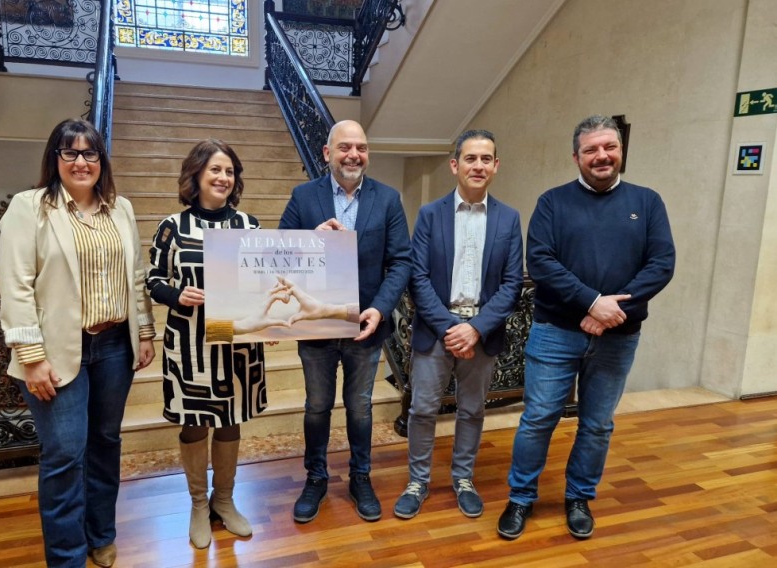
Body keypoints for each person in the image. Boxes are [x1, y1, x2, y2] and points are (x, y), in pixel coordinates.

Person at [497, 115, 675, 540]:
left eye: (609, 147)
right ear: (576, 157)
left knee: (597, 424)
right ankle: (520, 497)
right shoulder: (552, 203)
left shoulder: (647, 202)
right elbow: (540, 262)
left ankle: (579, 497)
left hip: (619, 335)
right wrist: (593, 302)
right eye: (591, 149)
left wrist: (611, 311)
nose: (602, 156)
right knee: (539, 418)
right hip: (555, 331)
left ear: (620, 152)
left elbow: (661, 264)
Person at [0, 118, 156, 568]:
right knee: (65, 455)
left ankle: (100, 534)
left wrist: (144, 332)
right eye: (70, 152)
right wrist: (31, 358)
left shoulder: (120, 208)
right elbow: (16, 286)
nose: (81, 161)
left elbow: (136, 275)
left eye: (90, 153)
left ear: (101, 160)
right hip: (55, 352)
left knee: (105, 443)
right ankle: (66, 557)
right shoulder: (30, 208)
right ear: (55, 159)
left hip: (114, 348)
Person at [278, 120, 412, 523]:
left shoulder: (388, 199)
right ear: (327, 153)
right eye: (345, 147)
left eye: (362, 147)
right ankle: (315, 478)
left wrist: (382, 308)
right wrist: (310, 239)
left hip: (365, 327)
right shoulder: (304, 197)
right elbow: (278, 254)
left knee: (360, 408)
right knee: (317, 406)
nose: (354, 154)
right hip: (316, 326)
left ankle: (361, 477)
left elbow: (400, 261)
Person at [146, 139, 275, 548]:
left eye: (229, 171)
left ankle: (225, 500)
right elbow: (152, 279)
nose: (223, 178)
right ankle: (199, 503)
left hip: (237, 343)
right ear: (197, 175)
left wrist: (270, 325)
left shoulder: (249, 227)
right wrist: (175, 295)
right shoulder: (173, 226)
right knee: (195, 421)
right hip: (190, 343)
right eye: (215, 170)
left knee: (231, 418)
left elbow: (263, 283)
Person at [393, 130, 523, 520]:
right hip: (436, 331)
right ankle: (418, 482)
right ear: (455, 165)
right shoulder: (430, 214)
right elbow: (418, 277)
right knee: (422, 409)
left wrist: (476, 328)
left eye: (486, 159)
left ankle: (463, 478)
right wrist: (451, 327)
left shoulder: (509, 218)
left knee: (471, 411)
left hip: (482, 333)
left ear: (496, 166)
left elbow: (513, 283)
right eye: (471, 158)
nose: (478, 166)